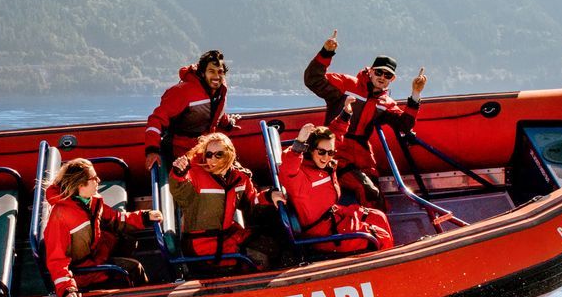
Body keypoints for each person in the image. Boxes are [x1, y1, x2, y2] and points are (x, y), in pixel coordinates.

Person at [303, 29, 428, 203]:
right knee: (368, 190)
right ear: (370, 71)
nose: (382, 77)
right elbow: (313, 79)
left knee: (377, 193)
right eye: (379, 72)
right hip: (334, 150)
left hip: (362, 155)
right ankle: (365, 227)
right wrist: (326, 52)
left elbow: (404, 125)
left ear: (392, 79)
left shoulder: (386, 103)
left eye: (387, 75)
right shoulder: (346, 84)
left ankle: (374, 226)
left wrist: (415, 94)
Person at [42, 158, 162, 297]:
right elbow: (57, 259)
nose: (98, 180)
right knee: (134, 268)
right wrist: (67, 289)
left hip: (98, 256)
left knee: (129, 241)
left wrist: (144, 216)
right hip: (84, 273)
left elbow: (116, 218)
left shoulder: (93, 201)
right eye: (93, 178)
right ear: (80, 184)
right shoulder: (60, 216)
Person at [275, 124, 393, 254]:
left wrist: (346, 115)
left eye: (330, 152)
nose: (326, 157)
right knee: (379, 237)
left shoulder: (324, 165)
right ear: (310, 150)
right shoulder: (300, 176)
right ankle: (386, 266)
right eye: (321, 152)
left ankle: (389, 257)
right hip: (321, 232)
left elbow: (334, 138)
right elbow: (287, 170)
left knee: (378, 216)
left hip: (334, 215)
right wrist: (298, 145)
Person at [168, 131, 277, 271]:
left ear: (230, 155)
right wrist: (178, 174)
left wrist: (269, 195)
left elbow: (251, 202)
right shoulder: (194, 175)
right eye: (208, 154)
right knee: (250, 263)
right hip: (201, 244)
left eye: (219, 154)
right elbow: (180, 192)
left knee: (271, 247)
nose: (212, 159)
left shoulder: (240, 177)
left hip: (230, 236)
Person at [145, 49, 240, 172]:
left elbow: (215, 112)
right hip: (179, 151)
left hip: (205, 149)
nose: (216, 76)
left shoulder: (219, 89)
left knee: (236, 173)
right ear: (202, 73)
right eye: (211, 71)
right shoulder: (181, 92)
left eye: (220, 72)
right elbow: (156, 120)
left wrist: (228, 124)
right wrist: (152, 150)